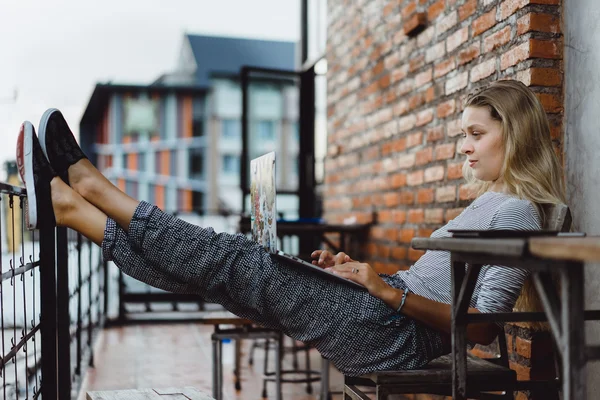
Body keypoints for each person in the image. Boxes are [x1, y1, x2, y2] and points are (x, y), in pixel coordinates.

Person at [15, 80, 565, 376]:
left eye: (474, 134)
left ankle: (92, 188)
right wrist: (359, 273)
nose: (464, 147)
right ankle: (75, 211)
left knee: (234, 261)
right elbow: (441, 287)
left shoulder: (514, 209)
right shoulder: (496, 203)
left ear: (512, 133)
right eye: (462, 135)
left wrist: (382, 289)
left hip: (392, 334)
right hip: (386, 318)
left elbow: (481, 330)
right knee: (223, 275)